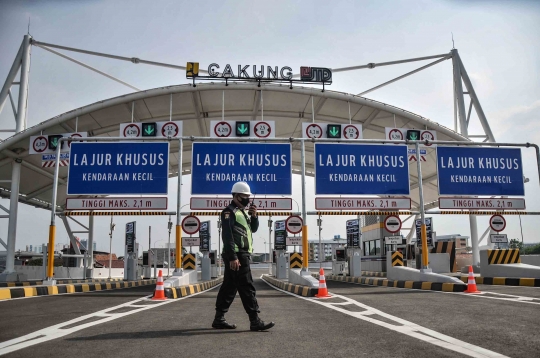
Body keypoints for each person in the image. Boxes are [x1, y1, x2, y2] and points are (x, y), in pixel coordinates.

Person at [212, 181, 275, 331]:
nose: (248, 199)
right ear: (237, 196)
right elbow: (227, 236)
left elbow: (253, 229)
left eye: (249, 196)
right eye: (245, 196)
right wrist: (233, 257)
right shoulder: (229, 212)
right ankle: (255, 320)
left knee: (229, 287)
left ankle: (218, 319)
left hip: (241, 254)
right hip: (237, 255)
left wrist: (254, 216)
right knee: (247, 286)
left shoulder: (243, 213)